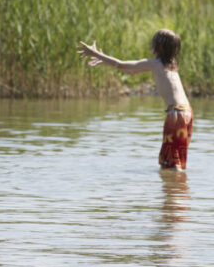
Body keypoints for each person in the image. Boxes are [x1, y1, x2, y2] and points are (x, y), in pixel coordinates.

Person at [77, 29, 194, 170]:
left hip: (176, 114)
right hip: (187, 112)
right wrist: (104, 61)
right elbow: (131, 70)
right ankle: (179, 188)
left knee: (172, 163)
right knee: (175, 159)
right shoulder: (172, 65)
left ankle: (174, 190)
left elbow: (121, 64)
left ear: (158, 46)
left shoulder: (155, 63)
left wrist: (96, 54)